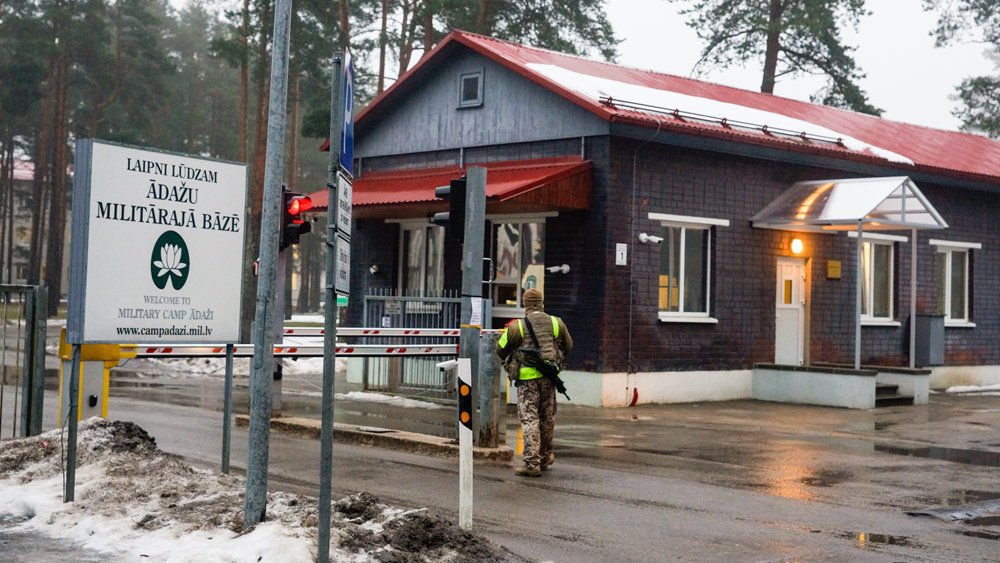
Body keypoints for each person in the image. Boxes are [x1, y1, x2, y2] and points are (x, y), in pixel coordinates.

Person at [496, 288, 573, 477]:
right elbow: (568, 346)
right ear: (541, 302)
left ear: (525, 304)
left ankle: (532, 463)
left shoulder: (517, 327)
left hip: (527, 381)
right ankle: (546, 457)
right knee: (547, 418)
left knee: (530, 419)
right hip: (550, 378)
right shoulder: (556, 323)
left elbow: (500, 349)